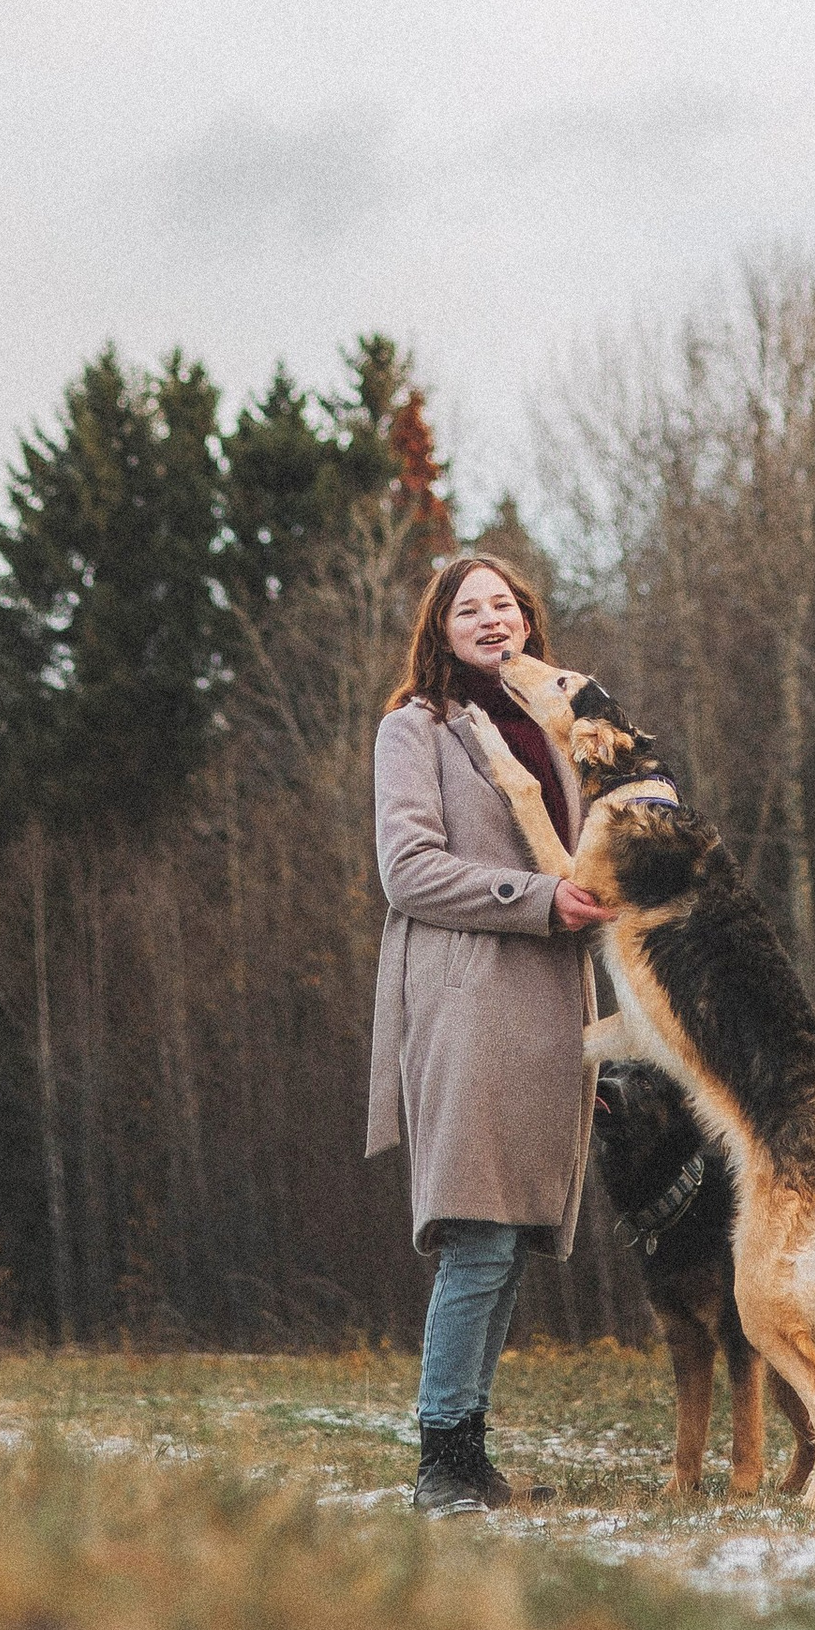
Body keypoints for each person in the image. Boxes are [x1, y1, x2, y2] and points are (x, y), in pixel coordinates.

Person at [366, 551, 613, 1515]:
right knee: (476, 1230)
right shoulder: (415, 729)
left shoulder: (559, 728)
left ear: (529, 622)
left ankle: (472, 1458)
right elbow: (410, 871)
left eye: (504, 603)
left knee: (510, 1239)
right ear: (441, 629)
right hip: (466, 999)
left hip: (554, 1002)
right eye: (469, 608)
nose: (490, 618)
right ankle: (442, 1462)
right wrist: (540, 898)